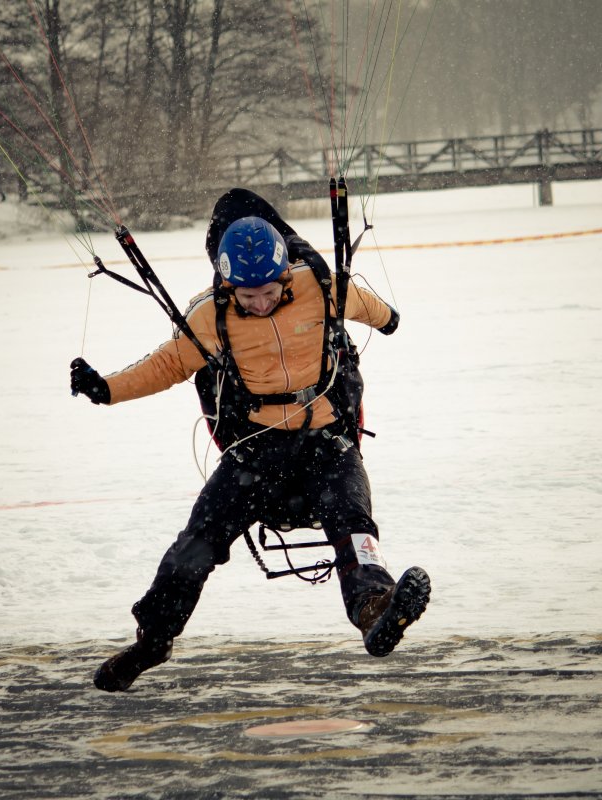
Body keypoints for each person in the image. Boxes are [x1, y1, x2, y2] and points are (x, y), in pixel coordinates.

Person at [69, 189, 431, 692]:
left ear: (286, 275)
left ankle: (375, 609)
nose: (260, 303)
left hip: (327, 443)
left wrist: (387, 319)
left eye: (269, 291)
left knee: (353, 520)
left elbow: (376, 311)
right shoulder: (209, 316)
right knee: (197, 545)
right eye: (247, 295)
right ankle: (152, 640)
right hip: (256, 452)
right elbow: (167, 365)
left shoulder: (322, 287)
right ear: (227, 284)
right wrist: (107, 389)